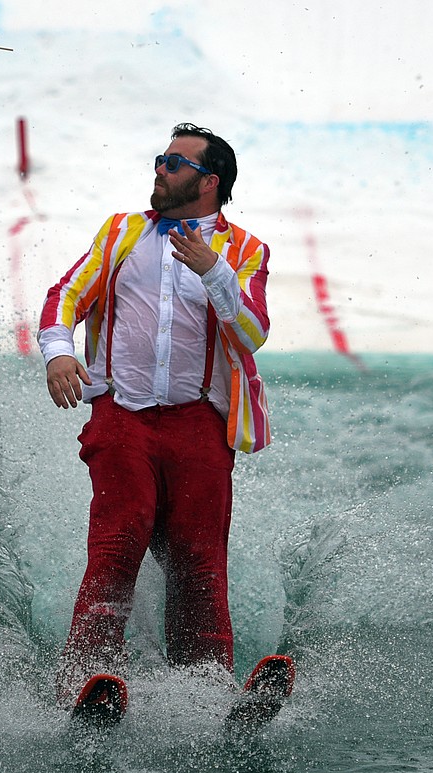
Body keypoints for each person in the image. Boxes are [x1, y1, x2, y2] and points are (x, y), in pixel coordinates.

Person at [37, 123, 272, 706]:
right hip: (123, 416)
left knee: (199, 558)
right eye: (160, 159)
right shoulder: (121, 232)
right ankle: (82, 679)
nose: (160, 169)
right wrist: (60, 354)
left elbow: (254, 333)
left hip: (199, 424)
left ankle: (207, 694)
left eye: (174, 162)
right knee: (120, 539)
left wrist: (211, 270)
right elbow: (66, 295)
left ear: (208, 181)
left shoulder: (244, 251)